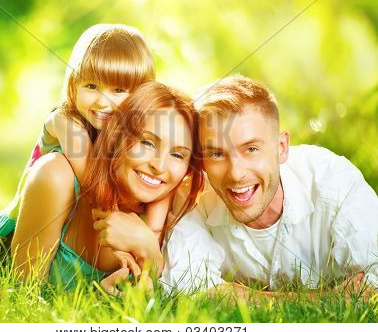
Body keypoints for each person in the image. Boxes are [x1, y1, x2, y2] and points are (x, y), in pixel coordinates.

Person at [0, 24, 173, 265]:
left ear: (142, 96)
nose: (103, 102)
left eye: (119, 90)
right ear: (74, 85)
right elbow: (97, 188)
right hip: (13, 247)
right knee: (57, 170)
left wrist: (148, 240)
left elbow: (162, 189)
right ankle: (27, 287)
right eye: (92, 86)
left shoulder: (137, 136)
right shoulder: (68, 123)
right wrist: (126, 239)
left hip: (76, 245)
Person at [160, 75, 378, 298]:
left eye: (251, 149)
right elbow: (186, 285)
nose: (236, 173)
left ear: (281, 148)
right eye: (216, 154)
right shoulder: (194, 196)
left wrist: (234, 295)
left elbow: (374, 282)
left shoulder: (333, 181)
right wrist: (327, 299)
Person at [10, 82, 204, 292]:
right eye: (147, 143)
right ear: (116, 137)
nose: (159, 166)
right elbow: (23, 294)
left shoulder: (170, 211)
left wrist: (149, 251)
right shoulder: (55, 176)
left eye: (177, 154)